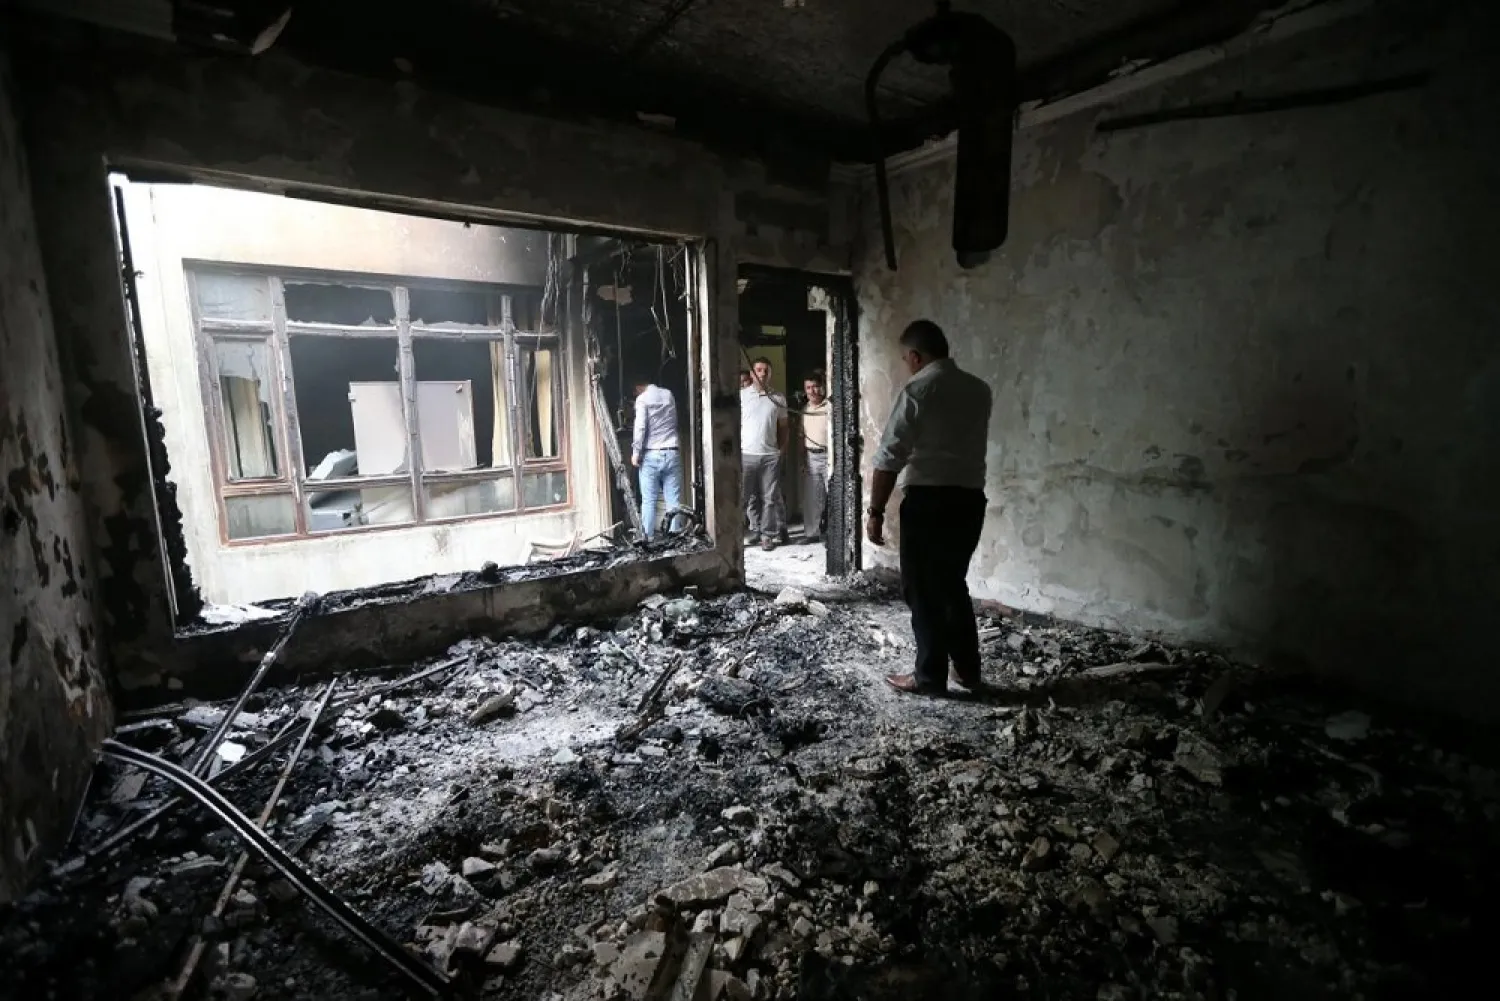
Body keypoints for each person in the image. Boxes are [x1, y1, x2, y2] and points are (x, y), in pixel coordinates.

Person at [866, 320, 993, 696]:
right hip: (969, 499)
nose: (908, 364)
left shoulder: (919, 388)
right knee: (952, 584)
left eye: (907, 358)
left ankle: (929, 676)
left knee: (922, 589)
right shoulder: (979, 389)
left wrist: (874, 512)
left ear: (916, 356)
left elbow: (889, 455)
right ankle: (968, 671)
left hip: (930, 502)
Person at [740, 356, 787, 551]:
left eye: (766, 370)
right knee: (743, 498)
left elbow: (784, 427)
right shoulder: (741, 396)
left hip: (770, 456)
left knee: (769, 498)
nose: (762, 374)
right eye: (758, 370)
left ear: (770, 374)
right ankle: (743, 533)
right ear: (752, 374)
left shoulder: (778, 398)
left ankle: (767, 536)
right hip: (746, 455)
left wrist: (781, 450)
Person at [631, 373, 683, 539]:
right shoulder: (668, 394)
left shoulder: (642, 399)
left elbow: (640, 428)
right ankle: (675, 538)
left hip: (651, 454)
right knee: (673, 500)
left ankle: (647, 538)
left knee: (649, 500)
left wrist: (636, 452)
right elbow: (673, 421)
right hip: (672, 451)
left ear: (638, 387)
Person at [800, 371, 830, 544]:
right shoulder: (805, 410)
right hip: (811, 457)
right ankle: (812, 533)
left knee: (833, 496)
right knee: (813, 498)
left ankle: (832, 534)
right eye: (808, 388)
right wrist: (803, 460)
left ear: (822, 387)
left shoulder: (829, 407)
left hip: (828, 456)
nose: (812, 391)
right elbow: (801, 436)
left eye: (815, 387)